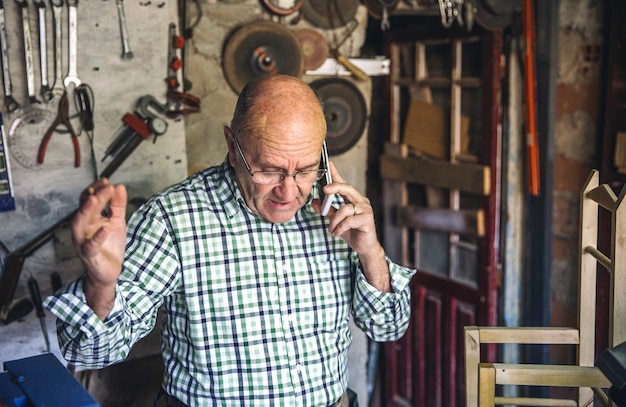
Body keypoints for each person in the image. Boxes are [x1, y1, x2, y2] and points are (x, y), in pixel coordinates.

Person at [44, 74, 416, 407]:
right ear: (232, 146)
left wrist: (371, 253)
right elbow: (87, 351)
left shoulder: (338, 209)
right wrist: (101, 283)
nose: (289, 191)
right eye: (269, 169)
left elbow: (388, 327)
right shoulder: (173, 219)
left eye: (304, 169)